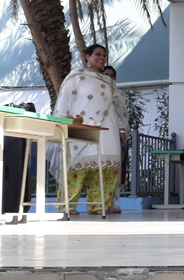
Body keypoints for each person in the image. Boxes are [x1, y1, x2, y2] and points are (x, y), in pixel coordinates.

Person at [53, 44, 129, 215]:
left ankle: (99, 205)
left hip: (108, 128)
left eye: (104, 55)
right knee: (76, 166)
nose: (102, 58)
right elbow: (64, 101)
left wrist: (121, 129)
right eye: (97, 54)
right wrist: (63, 123)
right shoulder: (76, 76)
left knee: (107, 167)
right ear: (87, 57)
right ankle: (67, 205)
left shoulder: (109, 81)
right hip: (82, 126)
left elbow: (118, 107)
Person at [101, 65, 123, 213]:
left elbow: (121, 115)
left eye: (111, 75)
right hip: (99, 133)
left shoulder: (117, 94)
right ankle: (97, 203)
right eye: (106, 74)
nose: (109, 77)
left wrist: (122, 130)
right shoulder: (95, 90)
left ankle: (110, 203)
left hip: (114, 134)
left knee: (112, 168)